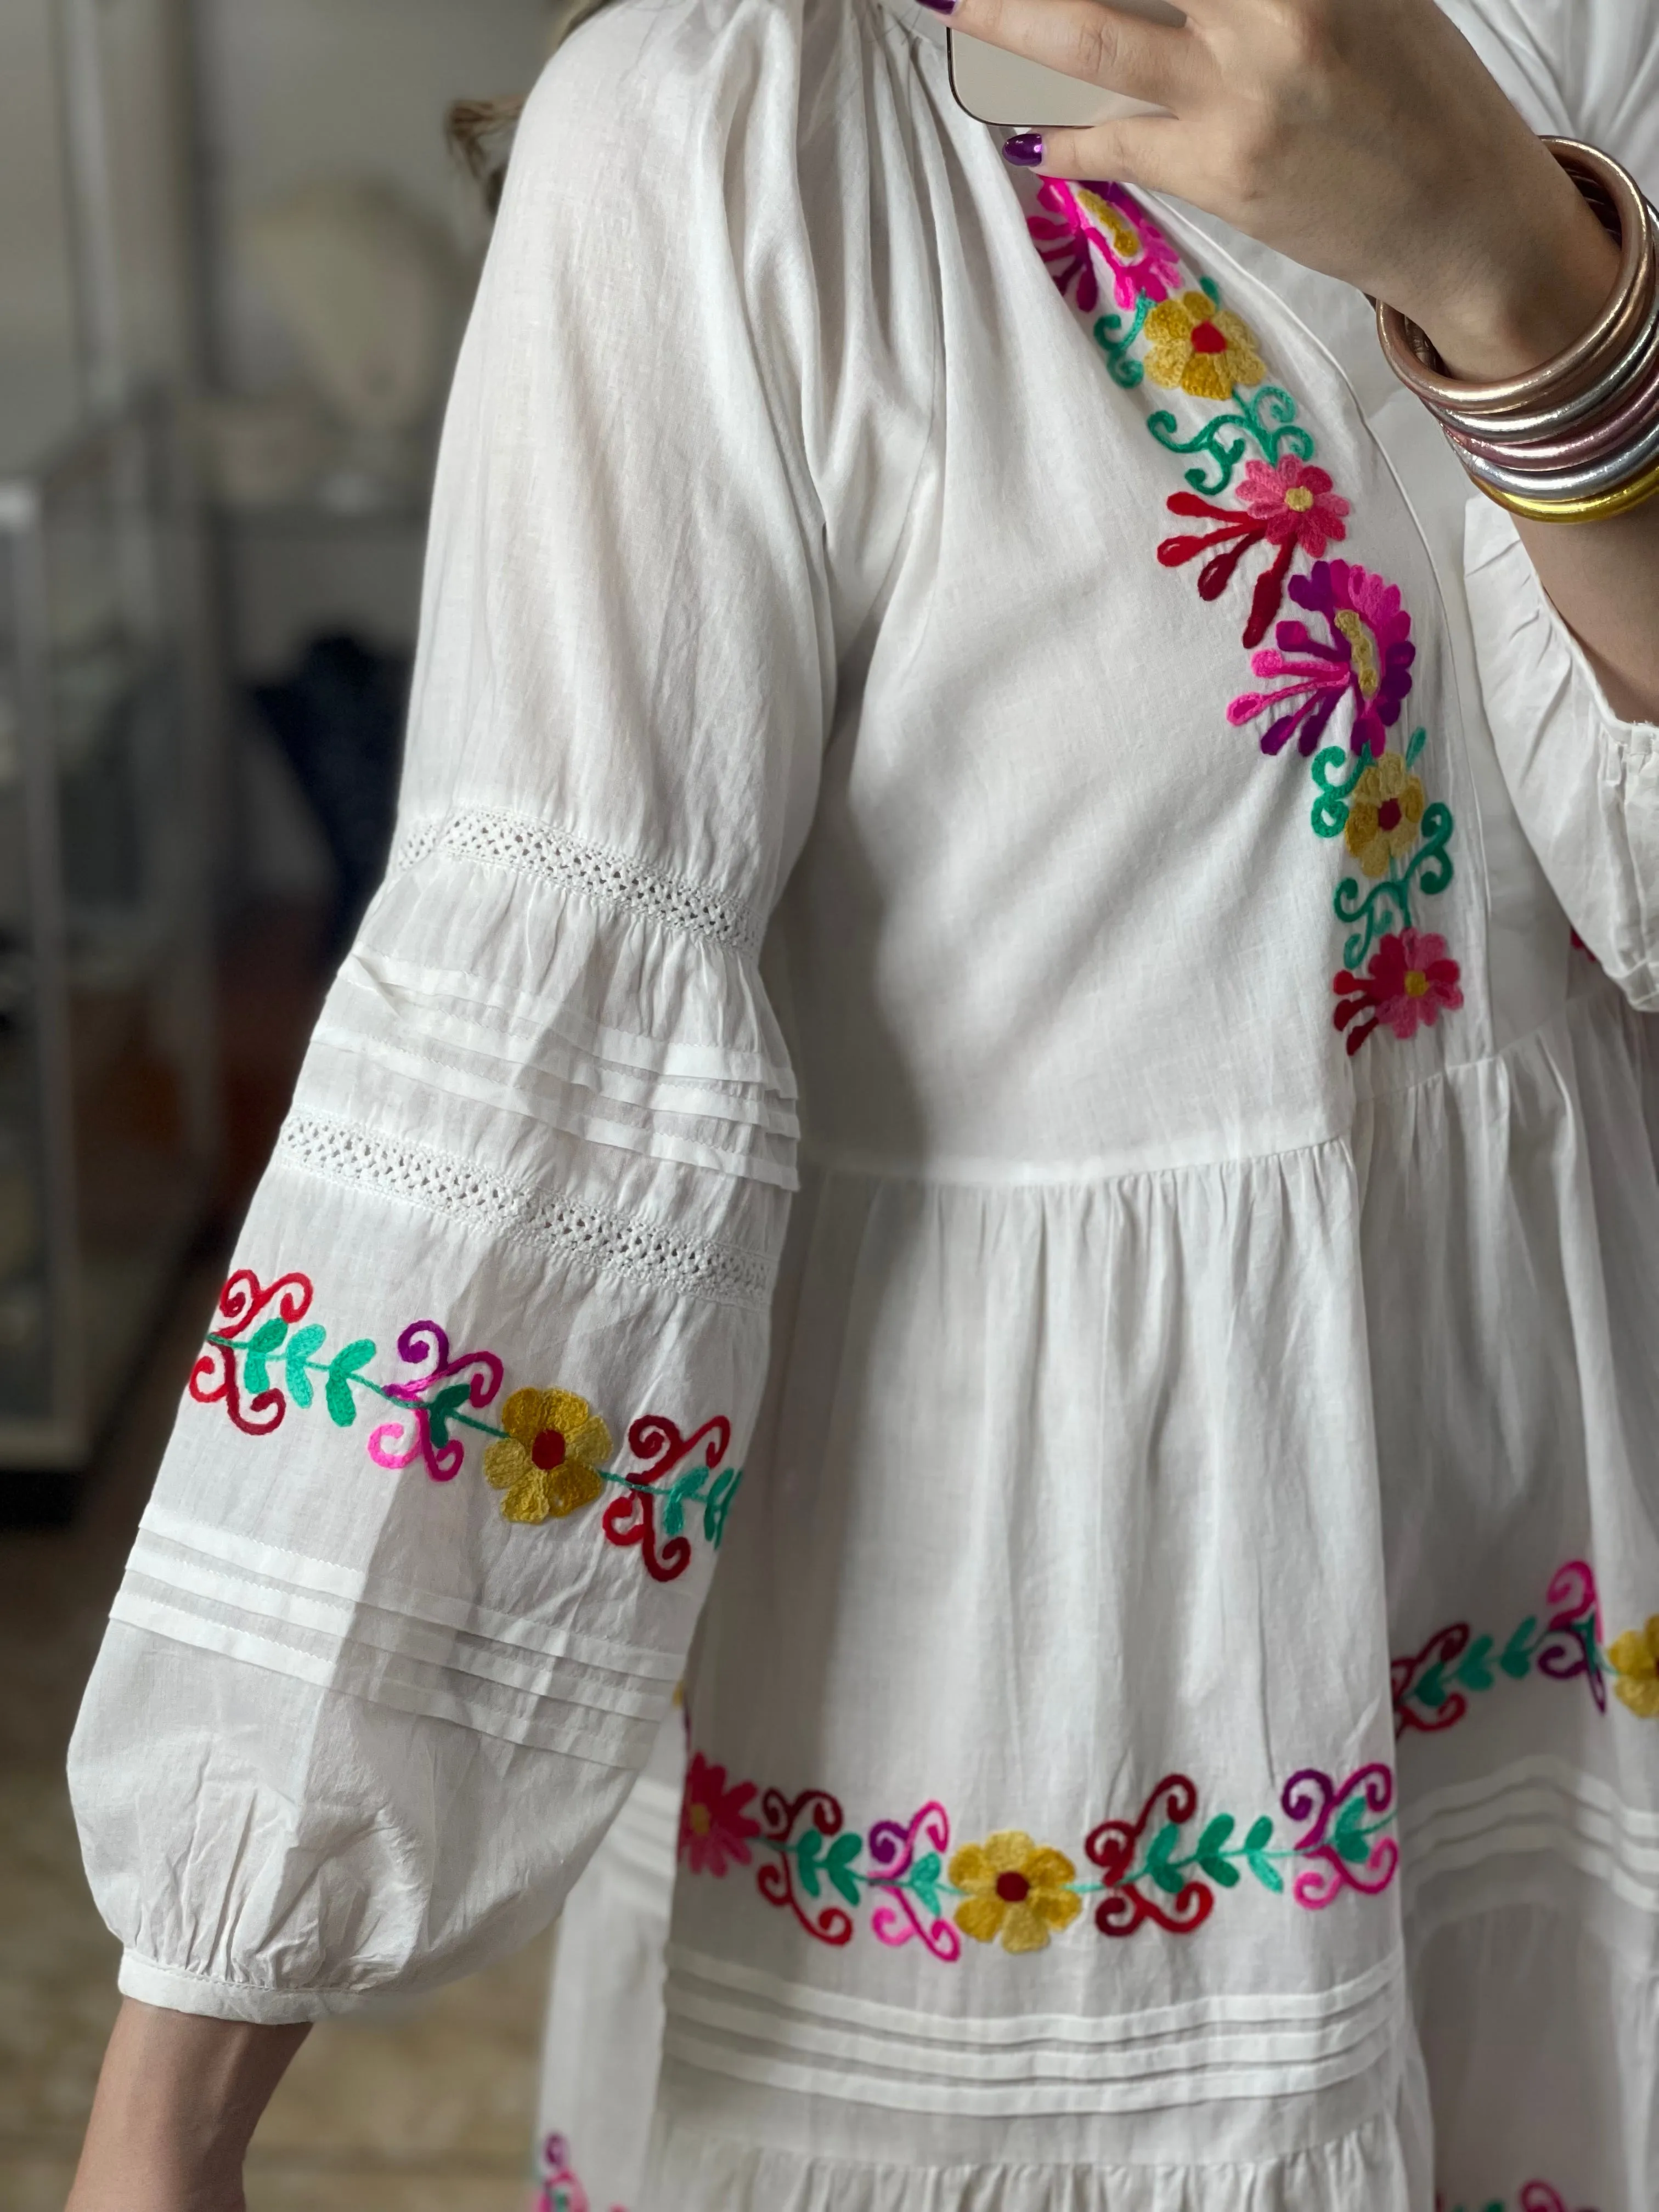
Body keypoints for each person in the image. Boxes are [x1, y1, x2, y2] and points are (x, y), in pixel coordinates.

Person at [64, 0, 1659, 2205]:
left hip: (1561, 1589)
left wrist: (1515, 271)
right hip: (1027, 1688)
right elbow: (552, 1078)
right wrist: (175, 2096)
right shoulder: (732, 132)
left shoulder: (1581, 47)